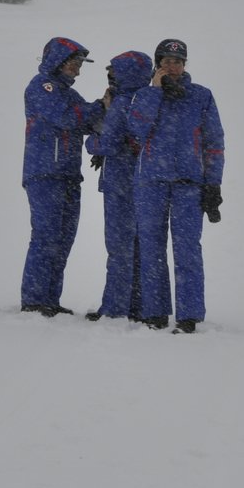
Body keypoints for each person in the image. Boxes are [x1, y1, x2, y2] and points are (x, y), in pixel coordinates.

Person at [127, 39, 224, 333]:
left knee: (187, 249)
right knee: (151, 248)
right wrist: (155, 92)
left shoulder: (201, 96)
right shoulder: (145, 95)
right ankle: (155, 312)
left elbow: (214, 143)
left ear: (185, 64)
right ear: (158, 64)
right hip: (151, 183)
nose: (173, 66)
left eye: (178, 61)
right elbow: (137, 130)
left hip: (188, 185)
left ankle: (189, 315)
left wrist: (213, 184)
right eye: (166, 61)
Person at [20, 37, 109, 317]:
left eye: (80, 64)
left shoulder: (68, 94)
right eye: (74, 62)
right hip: (45, 173)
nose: (78, 69)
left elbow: (88, 121)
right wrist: (102, 105)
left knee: (62, 239)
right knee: (46, 236)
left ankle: (49, 299)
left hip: (68, 174)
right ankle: (34, 300)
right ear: (58, 60)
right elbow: (69, 118)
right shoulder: (42, 87)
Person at [84, 51, 159, 322]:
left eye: (113, 72)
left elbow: (108, 143)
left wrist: (92, 141)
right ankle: (137, 305)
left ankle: (115, 307)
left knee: (119, 248)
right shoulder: (148, 101)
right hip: (143, 182)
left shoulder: (122, 103)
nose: (110, 77)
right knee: (139, 247)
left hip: (119, 183)